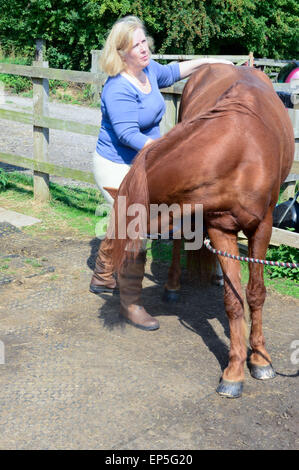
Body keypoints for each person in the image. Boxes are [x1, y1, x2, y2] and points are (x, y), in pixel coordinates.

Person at [90, 16, 232, 330]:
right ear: (121, 54)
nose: (143, 49)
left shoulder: (149, 71)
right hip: (116, 165)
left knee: (125, 218)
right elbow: (128, 135)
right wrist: (171, 148)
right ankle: (131, 304)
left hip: (147, 161)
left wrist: (214, 61)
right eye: (134, 46)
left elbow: (174, 71)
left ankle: (102, 273)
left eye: (144, 42)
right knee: (136, 227)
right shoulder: (117, 88)